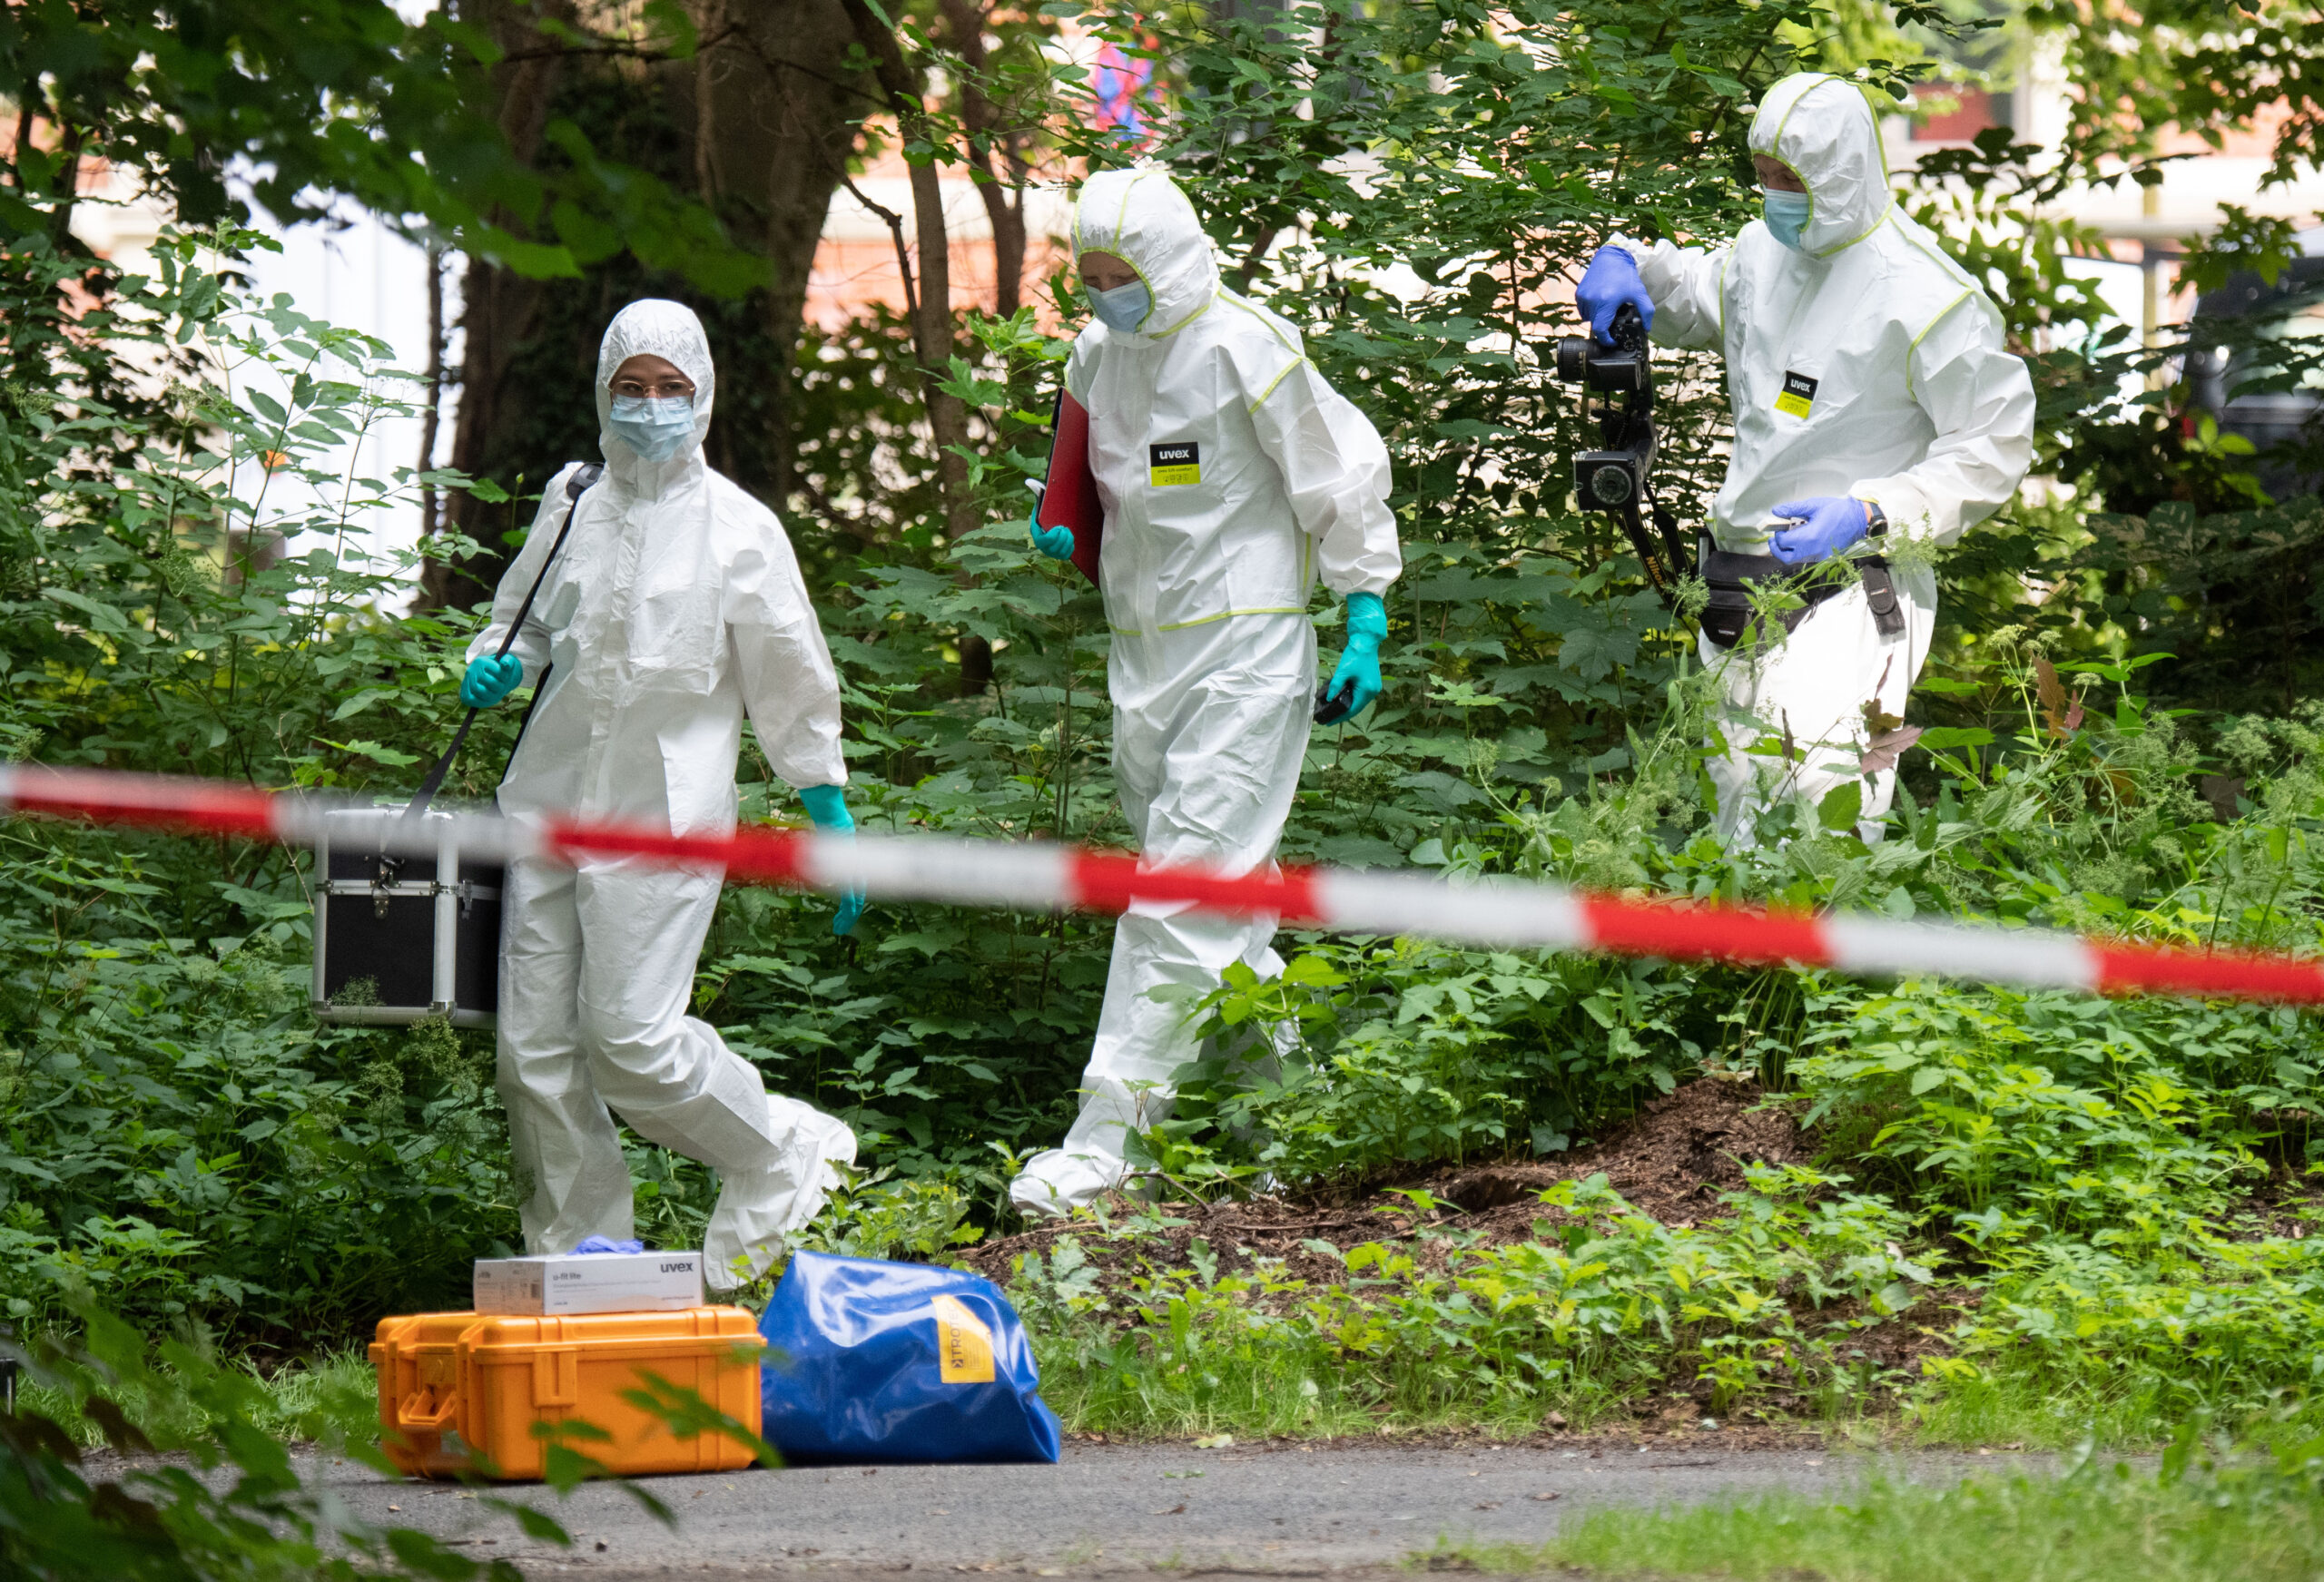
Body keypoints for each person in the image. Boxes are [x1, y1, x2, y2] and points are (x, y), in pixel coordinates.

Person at [1009, 166, 1403, 1218]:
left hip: (1247, 647)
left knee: (1175, 893)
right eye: (1089, 277)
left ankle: (1103, 1148)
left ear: (1171, 261)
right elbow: (1085, 466)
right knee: (1216, 904)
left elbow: (1339, 473)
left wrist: (1363, 611)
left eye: (1121, 274)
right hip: (1142, 656)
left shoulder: (1245, 347)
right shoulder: (1099, 351)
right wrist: (1067, 523)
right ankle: (1288, 1131)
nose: (1105, 293)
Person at [460, 299, 862, 1289]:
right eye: (630, 389)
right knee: (535, 1051)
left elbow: (790, 676)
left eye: (669, 390)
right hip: (549, 803)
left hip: (665, 820)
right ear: (602, 393)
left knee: (632, 1042)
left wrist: (825, 808)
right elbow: (520, 626)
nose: (649, 409)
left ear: (703, 397)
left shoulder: (738, 529)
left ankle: (777, 1149)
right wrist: (490, 664)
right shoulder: (572, 502)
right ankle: (582, 1254)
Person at [1576, 72, 2035, 842]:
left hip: (1853, 582)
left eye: (1790, 180)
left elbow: (1994, 444)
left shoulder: (1926, 295)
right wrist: (1625, 260)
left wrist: (1873, 510)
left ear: (1841, 171)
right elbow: (1695, 293)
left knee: (1824, 813)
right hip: (1738, 578)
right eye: (1763, 177)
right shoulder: (1763, 252)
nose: (1775, 195)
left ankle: (1830, 961)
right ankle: (1742, 963)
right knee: (1735, 806)